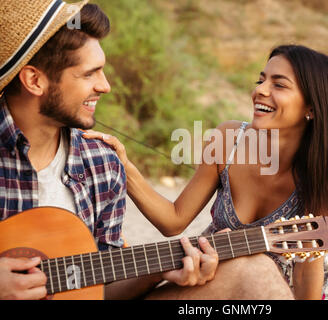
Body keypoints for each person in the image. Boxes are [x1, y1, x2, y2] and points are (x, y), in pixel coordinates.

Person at [83, 44, 328, 299]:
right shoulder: (229, 140)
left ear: (311, 107)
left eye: (279, 84)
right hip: (221, 276)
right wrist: (125, 166)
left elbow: (308, 267)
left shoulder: (327, 173)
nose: (260, 90)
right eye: (261, 80)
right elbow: (174, 220)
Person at [0, 0, 219, 300]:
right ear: (34, 80)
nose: (105, 86)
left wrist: (158, 270)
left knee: (250, 274)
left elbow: (102, 287)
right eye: (89, 74)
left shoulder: (102, 164)